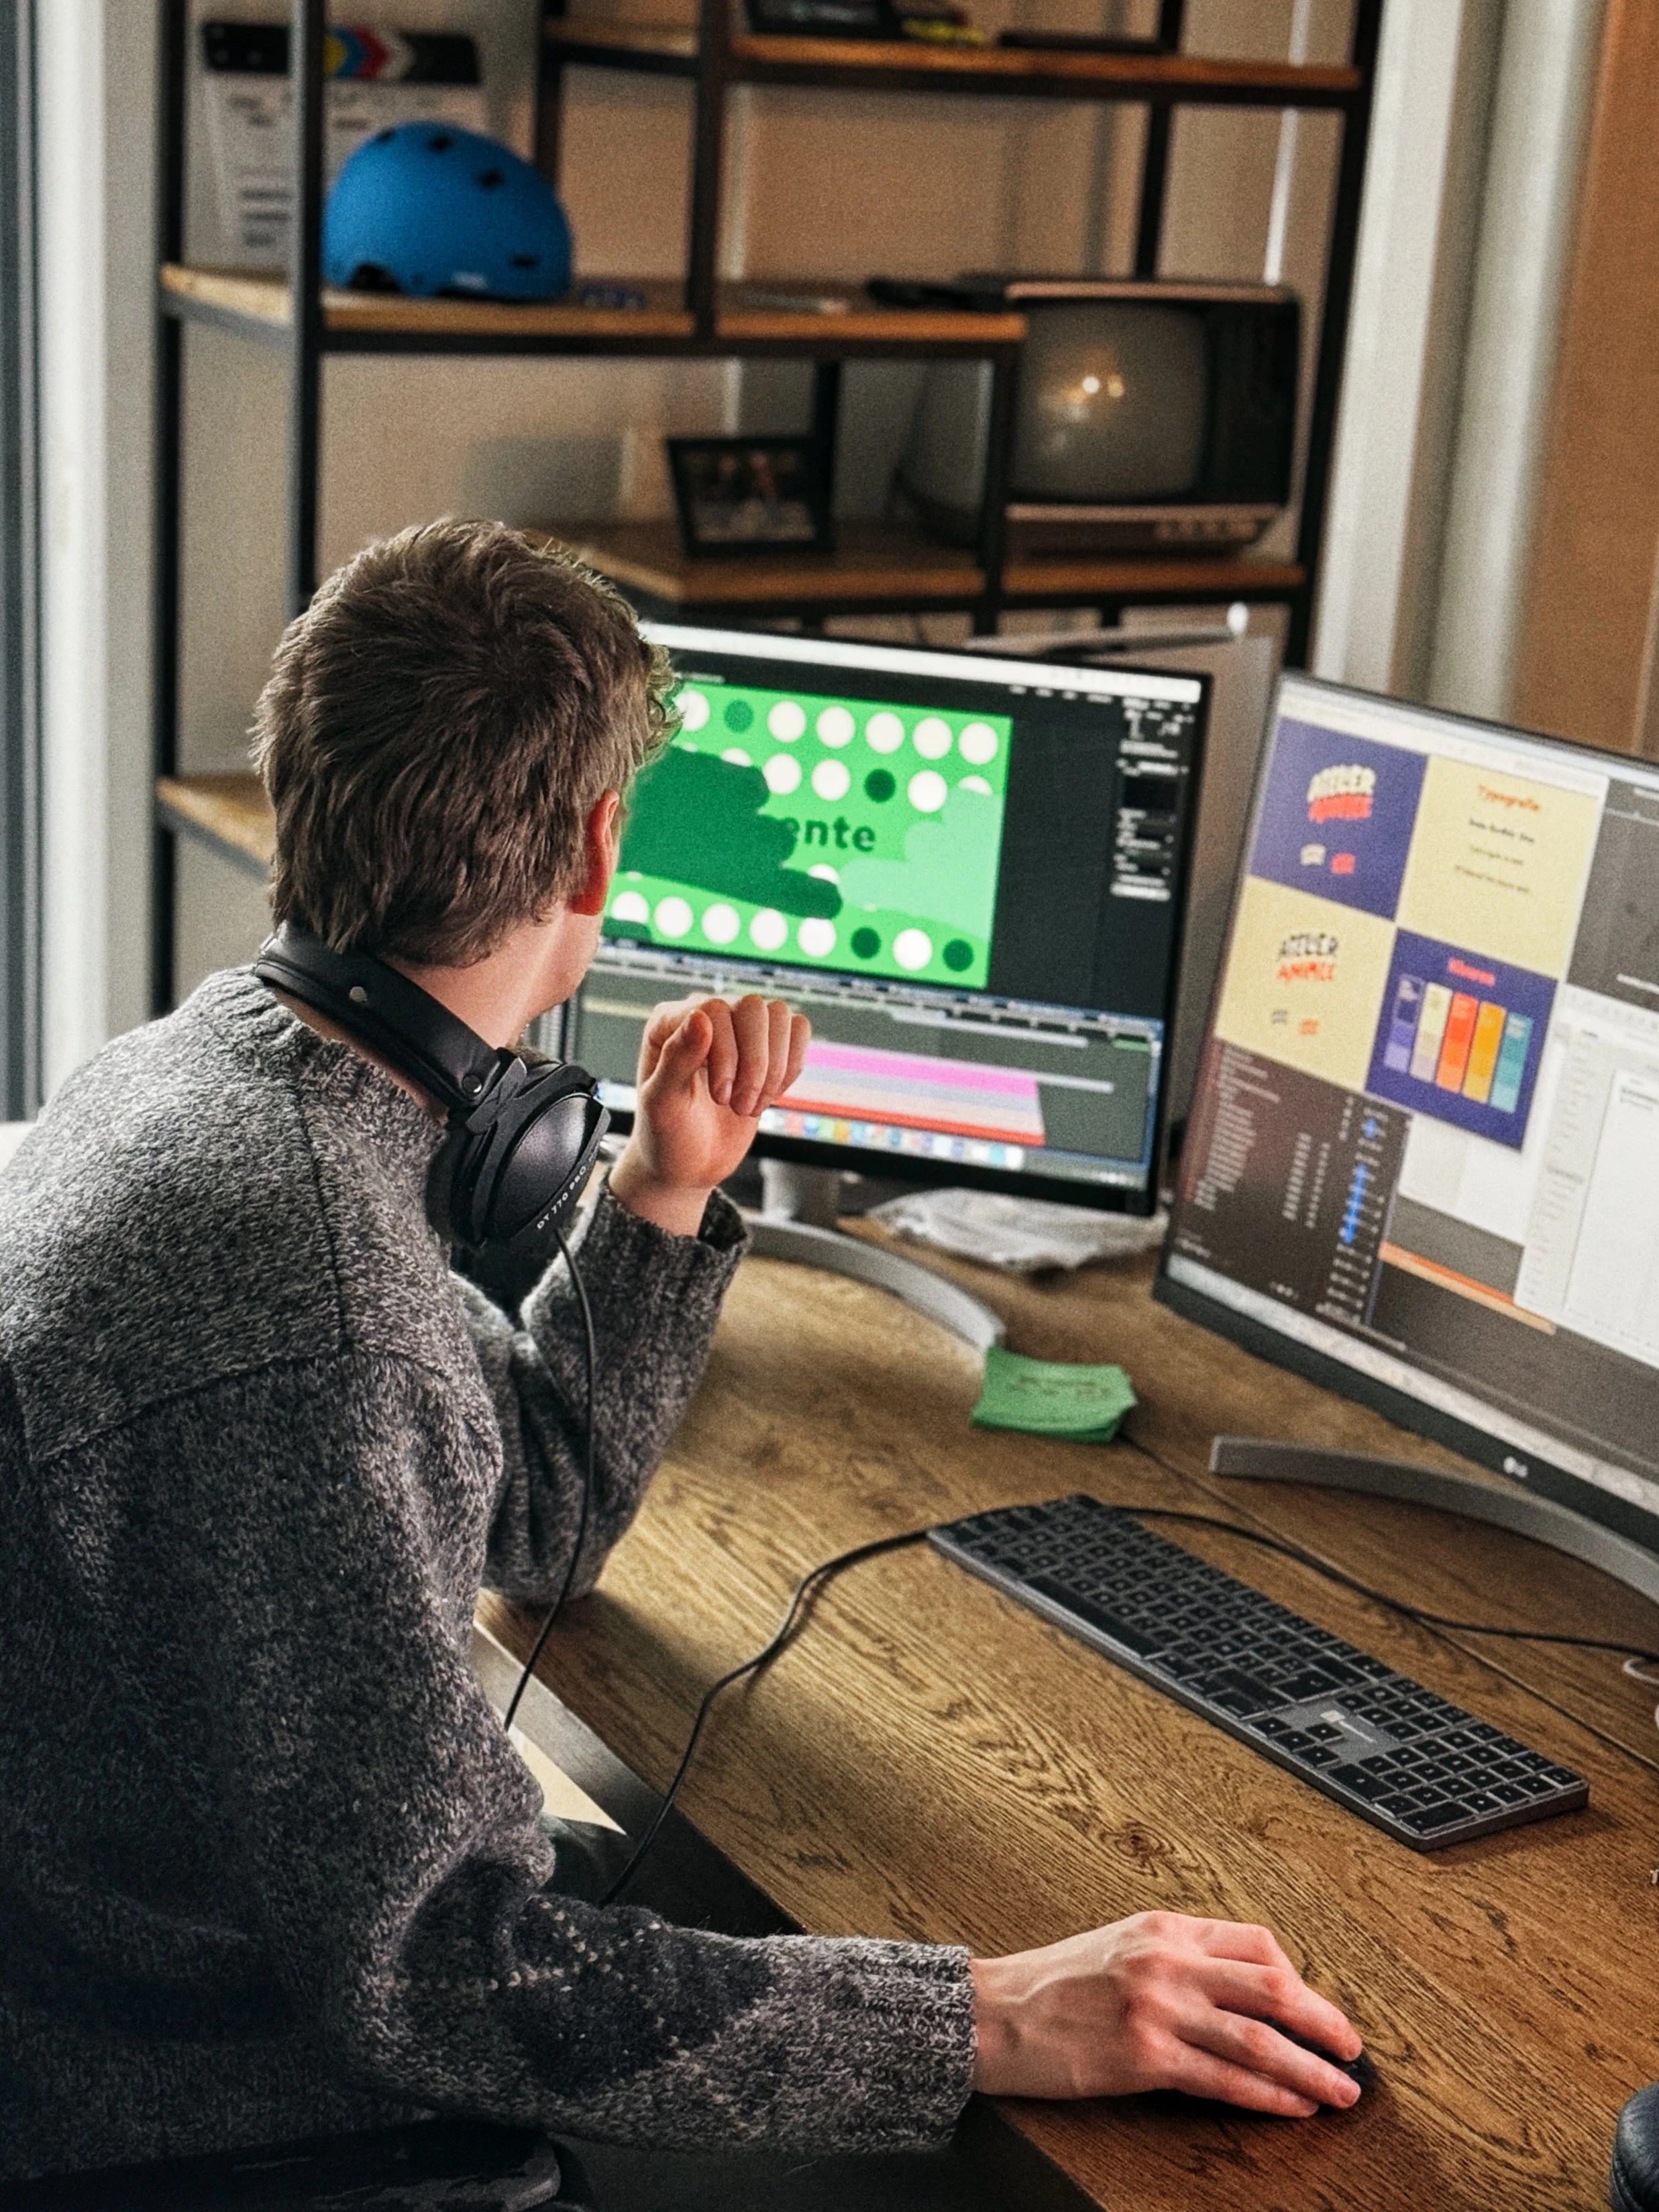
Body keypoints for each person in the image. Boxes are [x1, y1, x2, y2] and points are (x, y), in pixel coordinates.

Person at [0, 520, 1362, 2187]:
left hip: (140, 1979)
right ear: (597, 849)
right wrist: (990, 2014)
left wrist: (658, 1191)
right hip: (204, 2102)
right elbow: (442, 1970)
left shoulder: (211, 1089)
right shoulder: (318, 1304)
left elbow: (534, 1518)